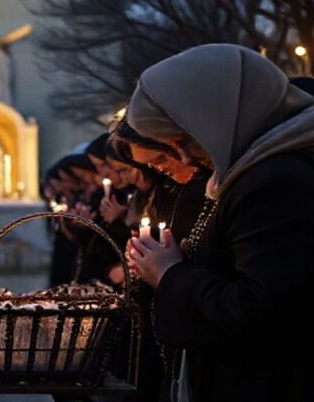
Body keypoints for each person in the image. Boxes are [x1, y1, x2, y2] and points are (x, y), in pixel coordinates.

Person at [127, 44, 314, 402]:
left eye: (183, 139)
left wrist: (170, 275)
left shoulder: (274, 179)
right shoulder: (245, 173)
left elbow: (263, 309)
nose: (182, 157)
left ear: (220, 117)